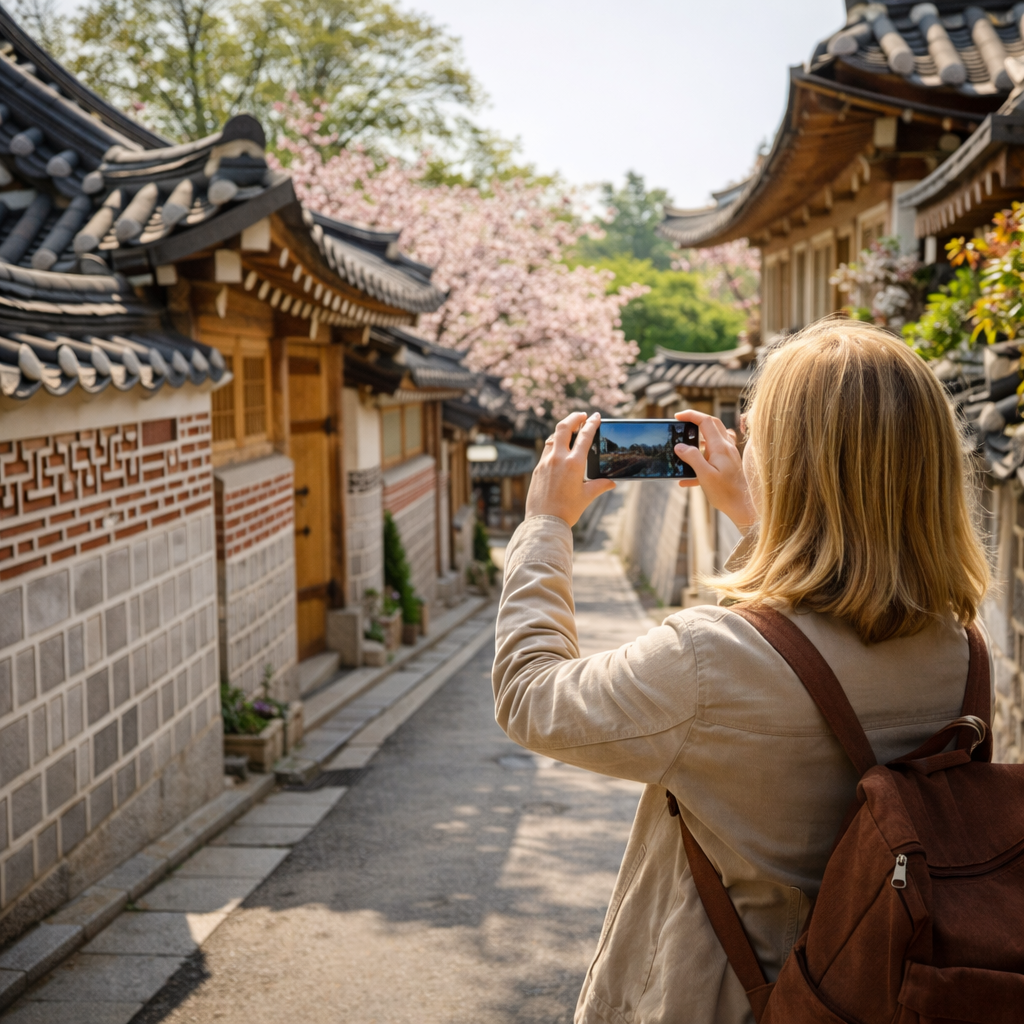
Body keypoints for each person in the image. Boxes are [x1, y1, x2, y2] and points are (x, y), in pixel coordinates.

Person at [491, 320, 992, 1024]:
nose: (742, 442)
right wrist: (758, 520)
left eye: (758, 435)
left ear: (787, 464)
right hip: (889, 992)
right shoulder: (963, 649)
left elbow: (528, 695)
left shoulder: (708, 659)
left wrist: (545, 525)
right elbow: (821, 621)